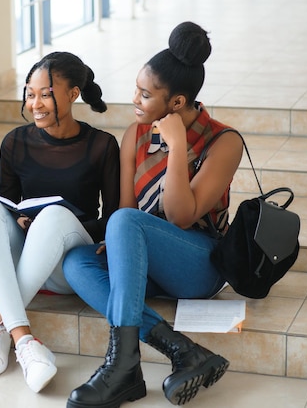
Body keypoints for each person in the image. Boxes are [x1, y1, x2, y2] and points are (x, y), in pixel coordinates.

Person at [63, 22, 243, 407]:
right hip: (145, 262)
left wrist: (177, 148)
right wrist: (117, 247)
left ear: (177, 103)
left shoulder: (223, 142)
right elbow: (127, 210)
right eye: (136, 89)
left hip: (199, 264)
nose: (135, 100)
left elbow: (181, 216)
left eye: (145, 95)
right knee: (77, 262)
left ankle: (123, 366)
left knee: (123, 224)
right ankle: (183, 351)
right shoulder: (136, 133)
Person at [0, 51, 120, 393]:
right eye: (30, 94)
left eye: (46, 94)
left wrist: (53, 221)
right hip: (28, 259)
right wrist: (19, 219)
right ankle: (23, 342)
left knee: (52, 216)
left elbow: (110, 220)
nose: (35, 103)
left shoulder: (101, 145)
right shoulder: (15, 143)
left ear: (72, 94)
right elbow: (6, 204)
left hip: (68, 260)